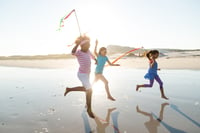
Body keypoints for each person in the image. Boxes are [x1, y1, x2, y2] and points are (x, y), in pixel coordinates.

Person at [64, 35, 96, 118]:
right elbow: (72, 52)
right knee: (90, 90)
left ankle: (69, 89)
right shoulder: (78, 52)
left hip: (88, 73)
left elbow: (92, 57)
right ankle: (89, 109)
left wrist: (96, 60)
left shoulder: (88, 51)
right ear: (82, 45)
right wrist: (77, 44)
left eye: (89, 45)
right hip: (82, 74)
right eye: (87, 45)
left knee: (86, 89)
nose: (89, 47)